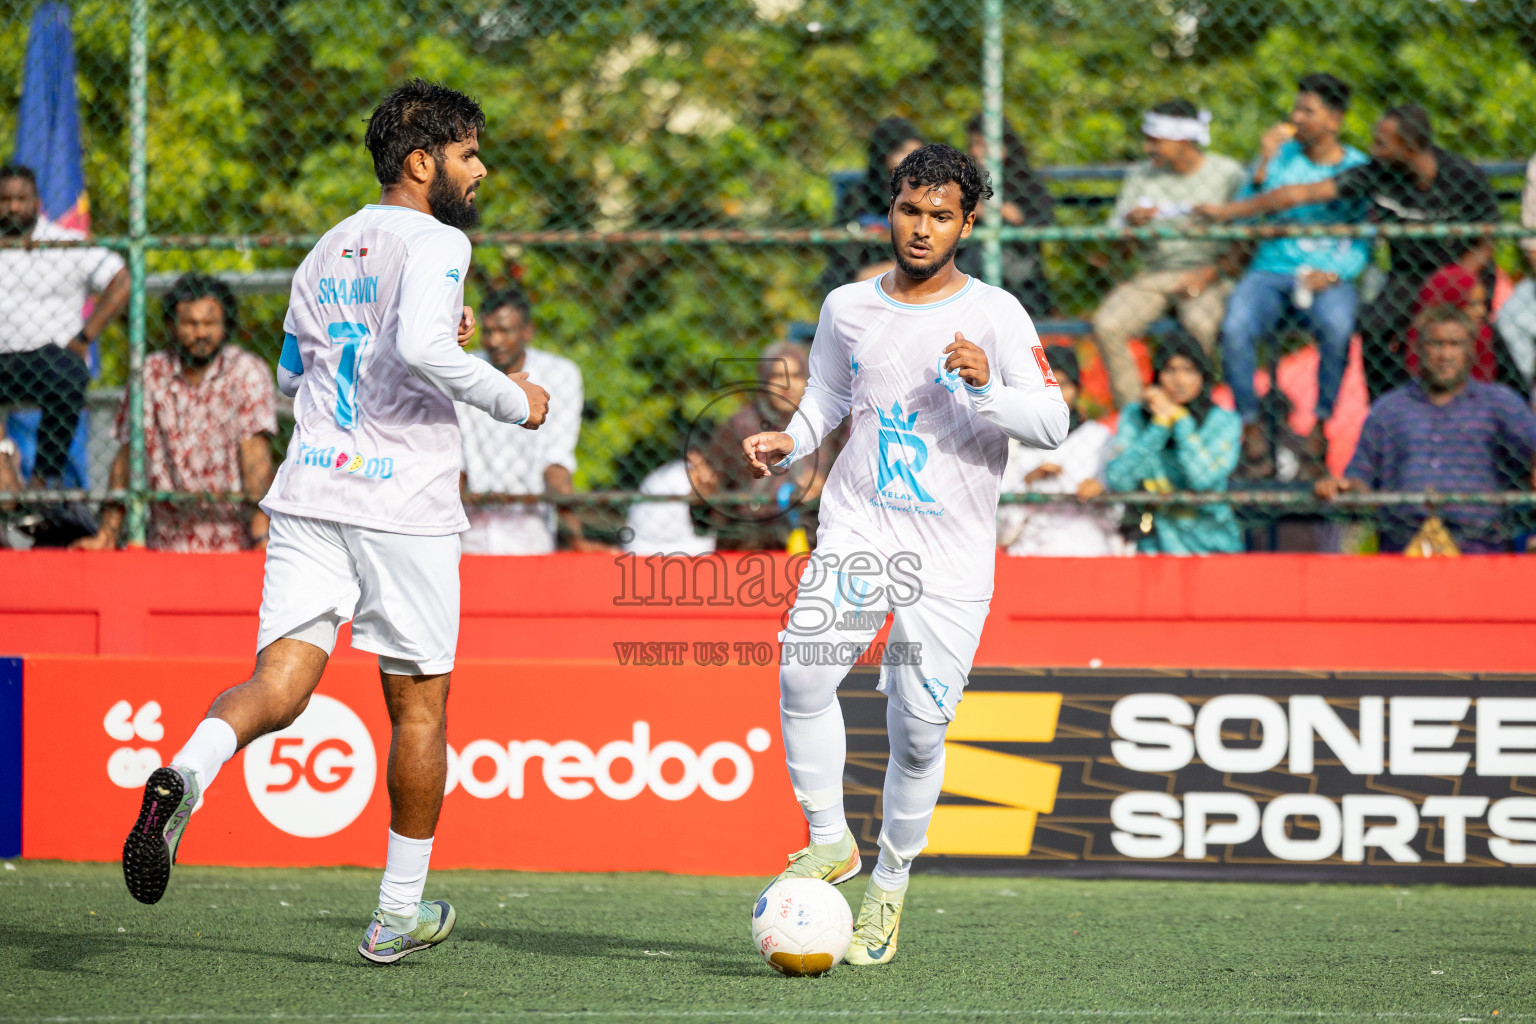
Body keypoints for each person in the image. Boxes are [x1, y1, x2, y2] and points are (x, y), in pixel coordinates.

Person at [118, 80, 549, 965]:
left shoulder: (325, 249)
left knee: (277, 685)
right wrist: (519, 400)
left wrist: (433, 347)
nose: (483, 170)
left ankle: (183, 776)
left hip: (311, 488)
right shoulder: (436, 241)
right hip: (401, 505)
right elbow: (423, 351)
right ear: (423, 162)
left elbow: (289, 380)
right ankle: (396, 917)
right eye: (470, 154)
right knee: (419, 710)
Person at [741, 144, 1068, 964]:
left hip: (951, 559)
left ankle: (888, 883)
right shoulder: (848, 306)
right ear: (889, 209)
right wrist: (794, 440)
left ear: (967, 222)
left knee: (918, 734)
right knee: (802, 671)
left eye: (941, 216)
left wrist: (989, 387)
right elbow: (828, 394)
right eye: (910, 211)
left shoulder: (996, 315)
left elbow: (1054, 425)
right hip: (860, 528)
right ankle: (831, 839)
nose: (922, 229)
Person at [1197, 105, 1500, 402]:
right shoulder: (1377, 174)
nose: (1373, 149)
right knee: (1373, 329)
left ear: (1408, 147)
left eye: (1382, 143)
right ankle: (1391, 410)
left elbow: (1486, 242)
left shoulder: (1462, 176)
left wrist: (1449, 284)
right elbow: (1299, 194)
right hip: (1409, 273)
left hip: (1462, 274)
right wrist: (1228, 212)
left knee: (1463, 336)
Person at [1217, 74, 1370, 479]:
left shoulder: (1357, 168)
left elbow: (1365, 237)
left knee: (1338, 327)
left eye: (1307, 110)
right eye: (1296, 108)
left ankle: (1320, 426)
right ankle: (1249, 423)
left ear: (1334, 120)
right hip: (1271, 269)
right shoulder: (1281, 158)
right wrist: (1264, 161)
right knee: (1235, 326)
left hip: (1328, 276)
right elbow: (1244, 209)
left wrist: (1337, 272)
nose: (1295, 116)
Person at [73, 274, 276, 552]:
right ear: (171, 325)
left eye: (210, 323)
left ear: (226, 325)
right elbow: (128, 456)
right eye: (190, 324)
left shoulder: (247, 372)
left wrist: (261, 538)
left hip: (235, 540)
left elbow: (256, 456)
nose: (201, 333)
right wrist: (107, 535)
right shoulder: (151, 373)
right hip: (166, 541)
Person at [1315, 306, 1536, 554]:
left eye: (1455, 344)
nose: (1445, 354)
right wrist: (1343, 488)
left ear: (1471, 351)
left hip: (1478, 544)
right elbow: (1361, 475)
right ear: (1419, 349)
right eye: (1436, 344)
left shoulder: (1499, 404)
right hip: (1404, 545)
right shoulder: (1389, 410)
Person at [1090, 100, 1246, 409]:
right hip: (1154, 274)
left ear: (1183, 140)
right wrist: (1130, 227)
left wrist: (1209, 274)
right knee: (1107, 324)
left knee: (1200, 325)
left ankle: (1193, 412)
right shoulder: (1141, 176)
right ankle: (1137, 415)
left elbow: (1245, 242)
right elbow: (1117, 250)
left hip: (1210, 273)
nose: (1148, 148)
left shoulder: (1228, 174)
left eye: (1155, 141)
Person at [0, 164, 129, 485]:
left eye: (21, 198)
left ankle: (44, 482)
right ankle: (4, 472)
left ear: (37, 202)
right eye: (4, 199)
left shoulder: (66, 242)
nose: (14, 206)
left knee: (70, 371)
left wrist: (85, 337)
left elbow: (122, 279)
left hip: (51, 359)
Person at [456, 286, 601, 554]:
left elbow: (556, 462)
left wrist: (574, 534)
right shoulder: (467, 370)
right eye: (488, 331)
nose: (495, 341)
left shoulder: (560, 373)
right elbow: (457, 462)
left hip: (531, 529)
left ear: (527, 331)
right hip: (470, 527)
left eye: (505, 331)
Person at [1103, 332, 1243, 554]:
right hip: (1152, 546)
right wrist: (1158, 427)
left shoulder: (1225, 421)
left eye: (1188, 370)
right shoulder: (1136, 416)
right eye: (1170, 370)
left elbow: (1202, 480)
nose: (1179, 381)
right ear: (1157, 375)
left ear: (1202, 375)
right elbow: (1119, 480)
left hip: (1211, 545)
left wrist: (1181, 421)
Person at [708, 341, 845, 550]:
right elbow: (714, 499)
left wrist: (825, 485)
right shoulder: (739, 425)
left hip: (815, 540)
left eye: (796, 376)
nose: (787, 385)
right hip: (748, 544)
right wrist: (706, 491)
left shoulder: (830, 425)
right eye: (778, 377)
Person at [997, 346, 1125, 556]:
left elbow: (1116, 522)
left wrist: (1100, 494)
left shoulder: (1097, 437)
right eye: (1047, 383)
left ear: (1077, 388)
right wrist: (1028, 484)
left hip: (1088, 553)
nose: (1054, 393)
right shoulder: (1013, 442)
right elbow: (1003, 534)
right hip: (1030, 555)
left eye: (1063, 384)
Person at [956, 114, 1056, 315]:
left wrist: (1014, 218)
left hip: (1019, 277)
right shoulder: (962, 181)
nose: (977, 151)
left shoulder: (1025, 182)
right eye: (974, 144)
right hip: (968, 274)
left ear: (1005, 147)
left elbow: (1044, 223)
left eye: (985, 145)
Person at [819, 118, 925, 292]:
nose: (911, 161)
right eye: (902, 152)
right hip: (863, 281)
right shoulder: (858, 196)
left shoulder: (928, 195)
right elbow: (843, 255)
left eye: (916, 153)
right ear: (883, 154)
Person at [622, 442, 719, 556]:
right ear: (693, 456)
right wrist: (706, 480)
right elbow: (702, 497)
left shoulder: (670, 471)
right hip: (657, 548)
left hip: (641, 546)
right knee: (709, 542)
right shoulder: (679, 475)